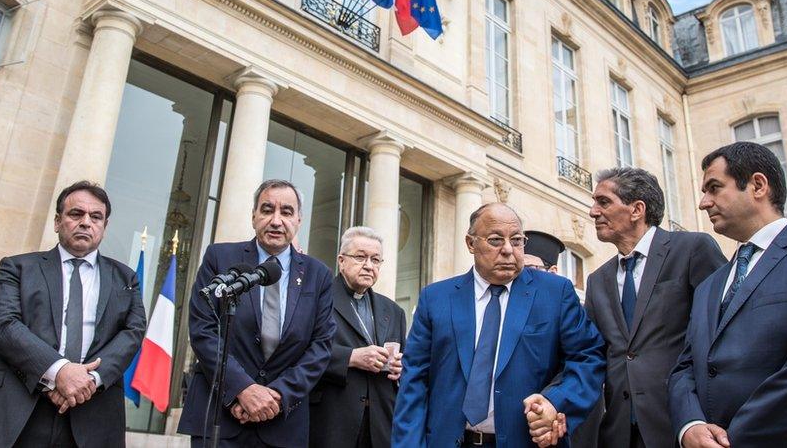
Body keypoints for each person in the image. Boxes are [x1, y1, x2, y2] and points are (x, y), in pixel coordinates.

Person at [670, 142, 787, 447]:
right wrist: (690, 425)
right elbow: (685, 367)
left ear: (757, 185)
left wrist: (736, 438)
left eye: (714, 188)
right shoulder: (708, 286)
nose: (704, 203)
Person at [392, 203, 604, 448]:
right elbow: (415, 381)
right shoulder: (436, 298)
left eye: (516, 240)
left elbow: (589, 358)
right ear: (471, 244)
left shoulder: (555, 293)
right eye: (495, 240)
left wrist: (555, 402)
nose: (508, 250)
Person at [0, 181, 146, 448]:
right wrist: (59, 372)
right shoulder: (18, 267)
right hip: (16, 407)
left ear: (104, 227)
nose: (86, 222)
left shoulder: (126, 277)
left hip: (93, 414)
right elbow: (3, 324)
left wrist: (86, 381)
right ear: (57, 221)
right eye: (76, 214)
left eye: (96, 217)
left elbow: (133, 332)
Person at [178, 179, 336, 447]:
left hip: (282, 424)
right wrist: (242, 389)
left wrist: (275, 396)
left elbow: (321, 347)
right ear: (254, 217)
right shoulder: (220, 258)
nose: (276, 220)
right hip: (221, 418)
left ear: (299, 220)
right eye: (267, 210)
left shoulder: (318, 275)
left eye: (286, 212)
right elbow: (203, 330)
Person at [583, 168, 725, 448]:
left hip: (685, 428)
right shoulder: (597, 280)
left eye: (604, 202)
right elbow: (590, 355)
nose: (593, 211)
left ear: (637, 209)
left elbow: (726, 329)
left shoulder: (693, 249)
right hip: (620, 434)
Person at [309, 226, 407, 448]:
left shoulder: (394, 311)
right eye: (360, 257)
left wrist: (402, 367)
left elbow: (406, 363)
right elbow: (300, 353)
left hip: (380, 425)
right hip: (331, 421)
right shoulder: (316, 299)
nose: (369, 265)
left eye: (376, 260)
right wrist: (351, 357)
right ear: (341, 261)